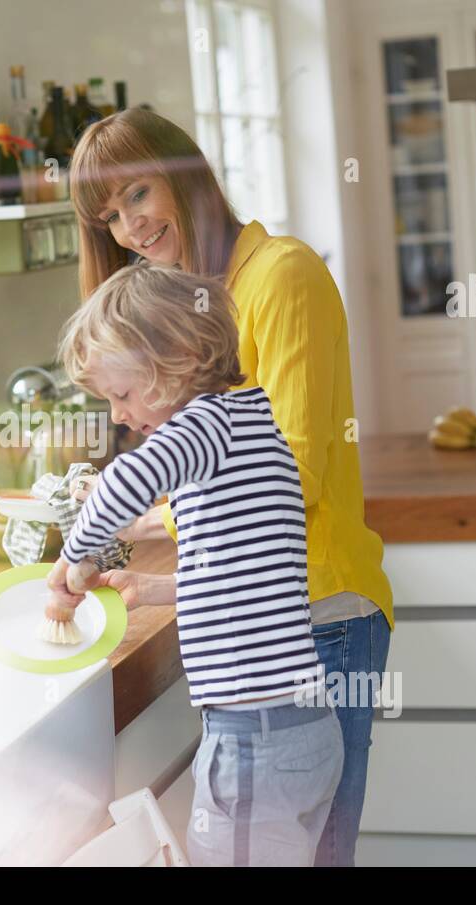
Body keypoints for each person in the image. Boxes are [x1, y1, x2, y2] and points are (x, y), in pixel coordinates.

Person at [68, 108, 393, 867]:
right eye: (109, 217)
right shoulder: (195, 298)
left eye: (138, 195)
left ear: (186, 176)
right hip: (272, 616)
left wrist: (118, 531)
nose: (129, 228)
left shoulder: (280, 276)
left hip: (320, 612)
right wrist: (157, 540)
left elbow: (295, 469)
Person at [48, 262, 343, 867]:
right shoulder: (253, 424)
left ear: (179, 359)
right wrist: (157, 588)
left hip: (253, 739)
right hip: (302, 731)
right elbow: (252, 576)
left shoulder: (204, 425)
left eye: (122, 393)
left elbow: (127, 480)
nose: (119, 416)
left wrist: (72, 563)